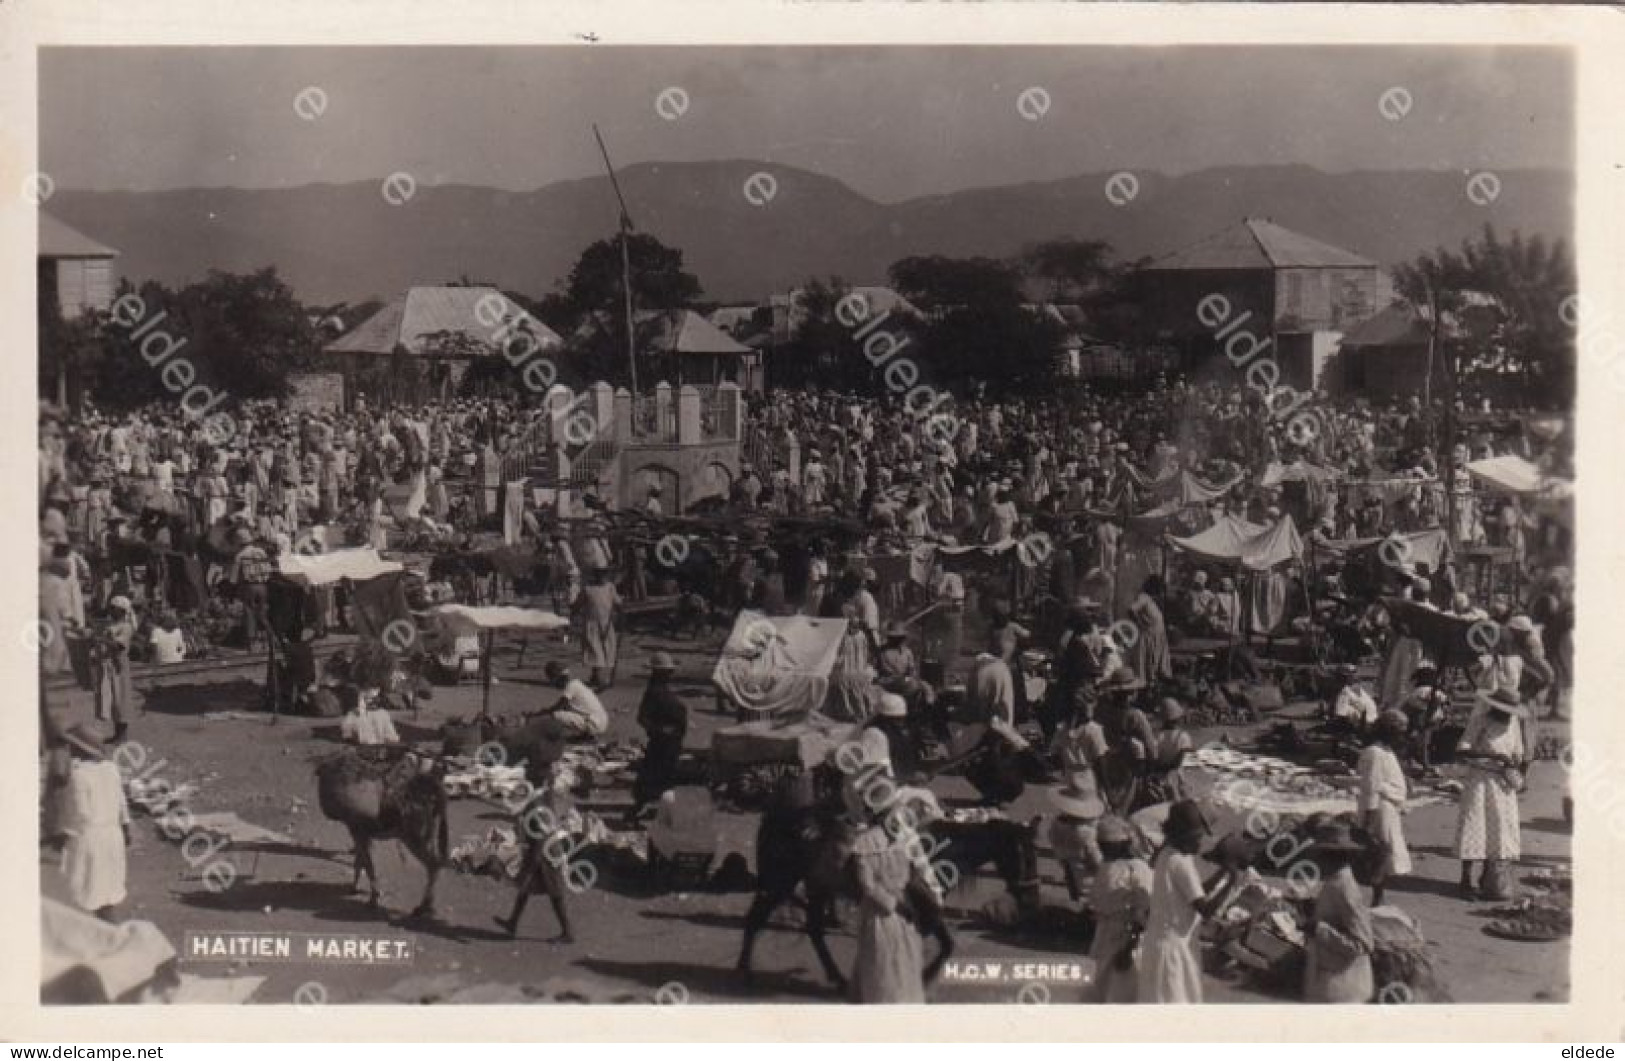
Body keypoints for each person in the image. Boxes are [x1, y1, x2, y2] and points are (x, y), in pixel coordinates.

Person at [1137, 799, 1238, 1004]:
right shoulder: (1180, 863)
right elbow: (1206, 910)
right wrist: (1231, 882)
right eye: (1197, 837)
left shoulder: (1167, 854)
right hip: (1174, 949)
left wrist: (1223, 872)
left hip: (1165, 943)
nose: (1200, 843)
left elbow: (1194, 891)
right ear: (1183, 835)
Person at [846, 787, 934, 1003]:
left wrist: (923, 895)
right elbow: (867, 884)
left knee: (907, 959)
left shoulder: (906, 838)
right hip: (881, 912)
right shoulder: (866, 843)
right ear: (881, 817)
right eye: (891, 815)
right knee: (883, 960)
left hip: (906, 907)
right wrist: (894, 904)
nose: (897, 820)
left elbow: (923, 868)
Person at [1454, 687, 1529, 901]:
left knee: (1498, 829)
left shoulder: (1513, 723)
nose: (1507, 714)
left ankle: (1488, 879)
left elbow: (1518, 754)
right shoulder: (1480, 721)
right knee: (1474, 826)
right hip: (1480, 780)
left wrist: (1512, 767)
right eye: (1503, 710)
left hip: (1502, 783)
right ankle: (1465, 880)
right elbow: (1462, 750)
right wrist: (1493, 755)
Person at [58, 725, 130, 920]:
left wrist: (64, 834)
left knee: (83, 892)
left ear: (80, 749)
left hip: (89, 838)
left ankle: (95, 938)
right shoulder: (111, 769)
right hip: (113, 836)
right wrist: (126, 828)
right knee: (106, 894)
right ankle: (109, 935)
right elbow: (122, 804)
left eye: (71, 747)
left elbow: (80, 813)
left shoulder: (78, 776)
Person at [1303, 819, 1376, 1003]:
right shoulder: (1335, 880)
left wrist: (1319, 929)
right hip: (1331, 977)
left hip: (1344, 987)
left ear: (1332, 857)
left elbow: (1363, 944)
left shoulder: (1345, 889)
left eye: (1320, 855)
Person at [1089, 815, 1154, 1004]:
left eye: (1106, 845)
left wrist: (1129, 947)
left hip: (1126, 938)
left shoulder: (1138, 870)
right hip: (1105, 934)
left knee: (1124, 990)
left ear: (1122, 844)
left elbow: (1144, 911)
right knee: (1102, 988)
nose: (1102, 848)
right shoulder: (1107, 866)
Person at [1356, 710, 1412, 905]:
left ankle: (1378, 893)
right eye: (1399, 732)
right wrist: (1370, 818)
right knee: (1380, 851)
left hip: (1388, 808)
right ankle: (1376, 896)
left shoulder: (1386, 751)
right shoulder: (1375, 753)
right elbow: (1372, 786)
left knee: (1384, 852)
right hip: (1380, 810)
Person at [627, 653, 687, 823]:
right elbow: (643, 717)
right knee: (660, 777)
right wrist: (660, 730)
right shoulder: (656, 691)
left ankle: (646, 811)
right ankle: (639, 813)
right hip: (663, 742)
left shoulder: (658, 689)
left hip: (665, 740)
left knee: (657, 778)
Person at [93, 597, 137, 744]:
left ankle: (123, 735)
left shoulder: (126, 627)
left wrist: (101, 639)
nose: (111, 610)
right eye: (110, 608)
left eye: (113, 608)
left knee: (121, 699)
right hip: (109, 666)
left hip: (119, 667)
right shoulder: (111, 625)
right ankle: (117, 734)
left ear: (122, 610)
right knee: (113, 700)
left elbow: (119, 646)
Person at [541, 661, 609, 740]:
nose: (552, 683)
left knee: (555, 715)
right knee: (564, 712)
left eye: (552, 679)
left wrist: (540, 713)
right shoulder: (577, 683)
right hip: (601, 721)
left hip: (595, 724)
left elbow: (559, 706)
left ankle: (552, 737)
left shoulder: (571, 686)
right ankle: (586, 735)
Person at [577, 565, 620, 690]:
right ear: (595, 576)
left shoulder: (610, 587)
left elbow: (617, 602)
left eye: (604, 575)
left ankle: (598, 676)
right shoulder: (588, 589)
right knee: (594, 649)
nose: (602, 577)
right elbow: (578, 603)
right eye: (599, 575)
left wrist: (621, 611)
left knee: (608, 648)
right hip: (592, 624)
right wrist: (573, 610)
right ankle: (597, 676)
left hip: (606, 623)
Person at [1128, 576, 1172, 683]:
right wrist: (1140, 623)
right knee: (1146, 666)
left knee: (1155, 666)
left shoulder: (1151, 600)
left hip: (1156, 637)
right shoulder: (1143, 597)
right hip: (1147, 637)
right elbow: (1132, 609)